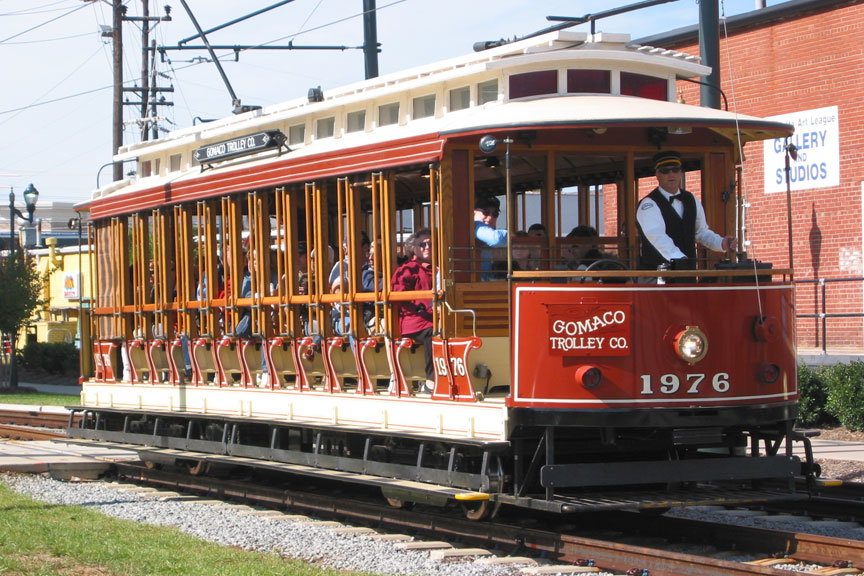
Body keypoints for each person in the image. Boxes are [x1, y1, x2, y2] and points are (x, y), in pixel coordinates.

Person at [636, 150, 737, 272]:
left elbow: (701, 232)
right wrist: (680, 259)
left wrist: (721, 243)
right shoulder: (648, 204)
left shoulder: (691, 199)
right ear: (657, 175)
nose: (671, 174)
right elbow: (657, 237)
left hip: (687, 272)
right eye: (665, 171)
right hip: (657, 275)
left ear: (680, 172)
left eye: (675, 169)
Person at [391, 228, 435, 394]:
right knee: (434, 333)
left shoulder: (441, 268)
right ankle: (431, 381)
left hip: (438, 317)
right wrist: (418, 308)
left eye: (431, 243)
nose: (427, 247)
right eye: (422, 244)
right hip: (415, 322)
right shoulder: (407, 269)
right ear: (413, 248)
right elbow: (398, 296)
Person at [474, 196, 506, 280]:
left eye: (495, 214)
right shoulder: (476, 225)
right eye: (486, 212)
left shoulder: (491, 231)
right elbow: (496, 239)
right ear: (474, 213)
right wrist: (511, 234)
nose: (490, 217)